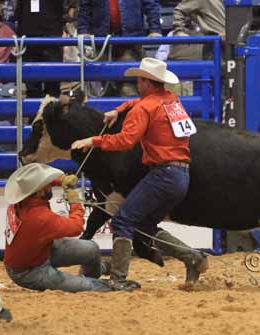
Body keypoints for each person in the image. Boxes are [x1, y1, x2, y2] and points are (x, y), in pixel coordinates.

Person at [71, 58, 208, 289]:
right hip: (180, 174)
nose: (137, 83)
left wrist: (93, 140)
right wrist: (119, 109)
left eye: (140, 79)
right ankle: (192, 257)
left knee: (122, 221)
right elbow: (141, 103)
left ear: (148, 82)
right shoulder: (170, 100)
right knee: (143, 226)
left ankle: (118, 278)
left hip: (163, 173)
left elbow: (126, 140)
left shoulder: (145, 108)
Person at [3, 163, 114, 292]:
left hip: (40, 252)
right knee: (88, 286)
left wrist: (61, 180)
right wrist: (75, 201)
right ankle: (105, 282)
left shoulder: (21, 201)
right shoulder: (39, 217)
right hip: (28, 271)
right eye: (47, 184)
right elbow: (76, 227)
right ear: (39, 190)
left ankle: (96, 273)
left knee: (91, 249)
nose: (50, 185)